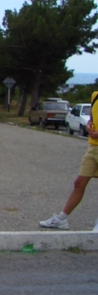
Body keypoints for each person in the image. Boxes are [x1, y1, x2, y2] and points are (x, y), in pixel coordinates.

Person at [40, 90, 98, 231]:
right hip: (93, 146)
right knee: (79, 183)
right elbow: (92, 116)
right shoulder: (95, 95)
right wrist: (90, 125)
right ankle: (61, 219)